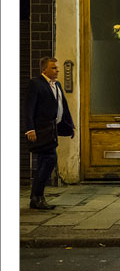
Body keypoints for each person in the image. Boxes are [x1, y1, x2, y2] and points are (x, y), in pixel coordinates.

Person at [24, 57, 75, 210]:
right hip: (42, 130)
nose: (57, 70)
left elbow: (62, 105)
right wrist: (30, 129)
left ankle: (36, 198)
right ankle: (38, 197)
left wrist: (68, 125)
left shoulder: (57, 84)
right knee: (50, 159)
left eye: (57, 68)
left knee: (43, 164)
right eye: (53, 68)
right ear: (44, 69)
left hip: (53, 129)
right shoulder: (36, 84)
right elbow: (28, 108)